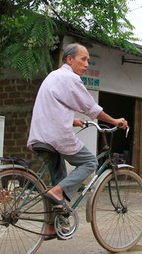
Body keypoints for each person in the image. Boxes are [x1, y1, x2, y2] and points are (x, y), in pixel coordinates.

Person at [27, 43, 128, 231]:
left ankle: (51, 227)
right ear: (69, 59)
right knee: (90, 162)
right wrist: (114, 121)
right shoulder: (70, 78)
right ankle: (57, 193)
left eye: (88, 60)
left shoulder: (53, 76)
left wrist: (72, 120)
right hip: (55, 136)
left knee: (58, 179)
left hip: (40, 135)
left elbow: (53, 106)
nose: (87, 64)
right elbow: (91, 108)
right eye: (83, 59)